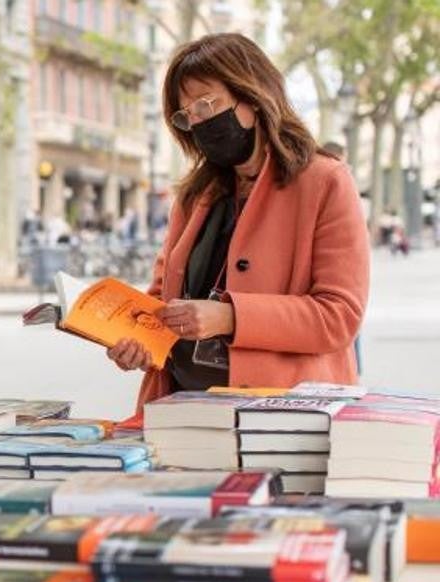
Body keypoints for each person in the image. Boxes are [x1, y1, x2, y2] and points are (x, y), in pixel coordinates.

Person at [107, 33, 369, 405]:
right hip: (182, 409)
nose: (197, 122)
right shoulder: (196, 194)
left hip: (280, 416)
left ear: (252, 97)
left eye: (205, 104)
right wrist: (137, 339)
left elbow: (339, 315)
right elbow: (162, 296)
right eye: (187, 114)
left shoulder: (325, 181)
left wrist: (231, 317)